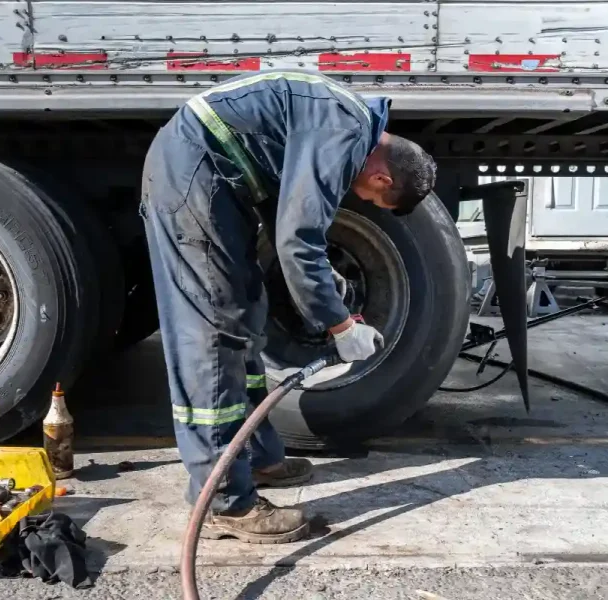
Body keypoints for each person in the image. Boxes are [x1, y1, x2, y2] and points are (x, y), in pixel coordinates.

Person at [140, 70, 436, 544]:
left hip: (212, 178)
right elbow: (297, 243)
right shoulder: (346, 131)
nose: (358, 197)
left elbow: (294, 220)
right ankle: (225, 504)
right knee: (215, 333)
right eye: (370, 195)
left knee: (245, 317)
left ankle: (259, 459)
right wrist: (341, 327)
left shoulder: (344, 121)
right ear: (382, 176)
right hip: (193, 175)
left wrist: (328, 286)